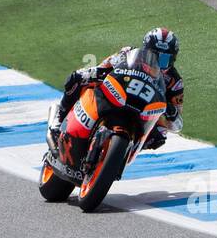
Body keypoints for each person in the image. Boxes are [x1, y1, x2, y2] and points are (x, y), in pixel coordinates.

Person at [53, 28, 184, 150]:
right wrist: (92, 73)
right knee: (76, 78)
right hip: (117, 95)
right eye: (153, 56)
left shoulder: (174, 82)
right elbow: (103, 66)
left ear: (173, 60)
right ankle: (58, 121)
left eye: (164, 59)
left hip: (144, 114)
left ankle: (124, 152)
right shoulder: (128, 53)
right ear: (145, 50)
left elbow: (177, 123)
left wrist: (172, 112)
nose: (156, 62)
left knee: (159, 137)